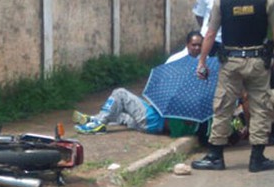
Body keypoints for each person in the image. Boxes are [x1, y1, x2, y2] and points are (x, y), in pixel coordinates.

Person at [192, 0, 274, 173]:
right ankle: (257, 158)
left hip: (230, 62)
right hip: (258, 61)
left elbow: (210, 33)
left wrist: (202, 61)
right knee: (260, 107)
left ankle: (216, 156)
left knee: (223, 106)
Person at [73, 31, 203, 134]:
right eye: (194, 45)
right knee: (121, 114)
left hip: (151, 120)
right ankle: (95, 119)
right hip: (154, 124)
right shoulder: (196, 110)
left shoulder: (182, 98)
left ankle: (99, 122)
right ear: (187, 45)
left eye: (199, 45)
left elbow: (165, 100)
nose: (197, 48)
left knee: (120, 93)